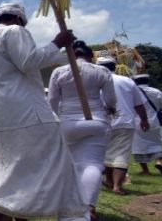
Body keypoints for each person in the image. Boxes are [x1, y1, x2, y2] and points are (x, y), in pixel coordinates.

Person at [0, 3, 87, 221]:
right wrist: (57, 43)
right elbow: (30, 60)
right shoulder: (14, 31)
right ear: (18, 19)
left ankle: (4, 212)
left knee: (9, 169)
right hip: (27, 112)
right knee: (52, 165)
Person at [48, 41, 117, 220]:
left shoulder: (59, 72)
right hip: (96, 121)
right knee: (92, 164)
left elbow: (53, 101)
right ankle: (88, 207)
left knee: (70, 166)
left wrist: (55, 121)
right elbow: (111, 99)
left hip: (68, 123)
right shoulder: (101, 71)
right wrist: (110, 108)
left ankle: (70, 208)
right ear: (90, 56)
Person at [97, 57, 150, 194]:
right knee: (121, 155)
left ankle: (109, 181)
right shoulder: (127, 81)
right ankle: (117, 186)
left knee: (105, 154)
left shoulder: (95, 82)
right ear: (114, 66)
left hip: (101, 122)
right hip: (124, 122)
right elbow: (139, 104)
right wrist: (144, 120)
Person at [132, 74, 162, 177]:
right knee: (156, 142)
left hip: (137, 121)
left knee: (138, 146)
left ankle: (145, 170)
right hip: (154, 121)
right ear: (148, 80)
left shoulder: (133, 92)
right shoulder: (157, 91)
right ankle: (159, 162)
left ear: (135, 82)